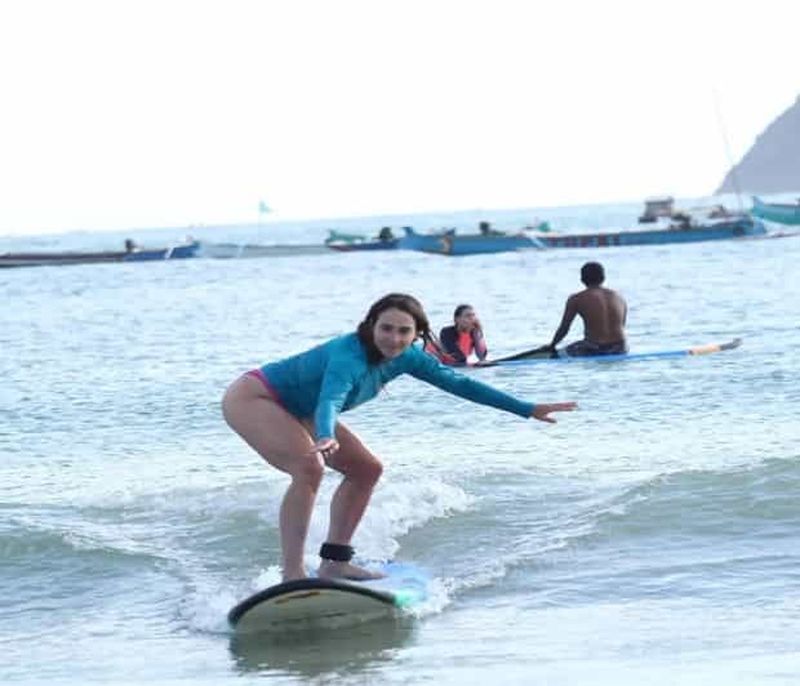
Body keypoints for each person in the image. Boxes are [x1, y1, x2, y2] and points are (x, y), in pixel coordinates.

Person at [222, 293, 577, 582]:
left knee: (367, 470)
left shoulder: (409, 358)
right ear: (371, 326)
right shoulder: (349, 354)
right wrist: (327, 434)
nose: (394, 338)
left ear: (417, 334)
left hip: (303, 409)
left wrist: (526, 408)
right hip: (257, 397)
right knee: (309, 469)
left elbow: (461, 383)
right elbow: (330, 397)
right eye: (386, 328)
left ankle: (335, 562)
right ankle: (293, 574)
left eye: (404, 331)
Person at [547, 262, 628, 356]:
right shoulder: (619, 297)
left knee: (556, 355)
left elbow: (564, 328)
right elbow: (622, 325)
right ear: (603, 278)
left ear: (582, 279)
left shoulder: (576, 299)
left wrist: (552, 345)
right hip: (620, 348)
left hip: (593, 349)